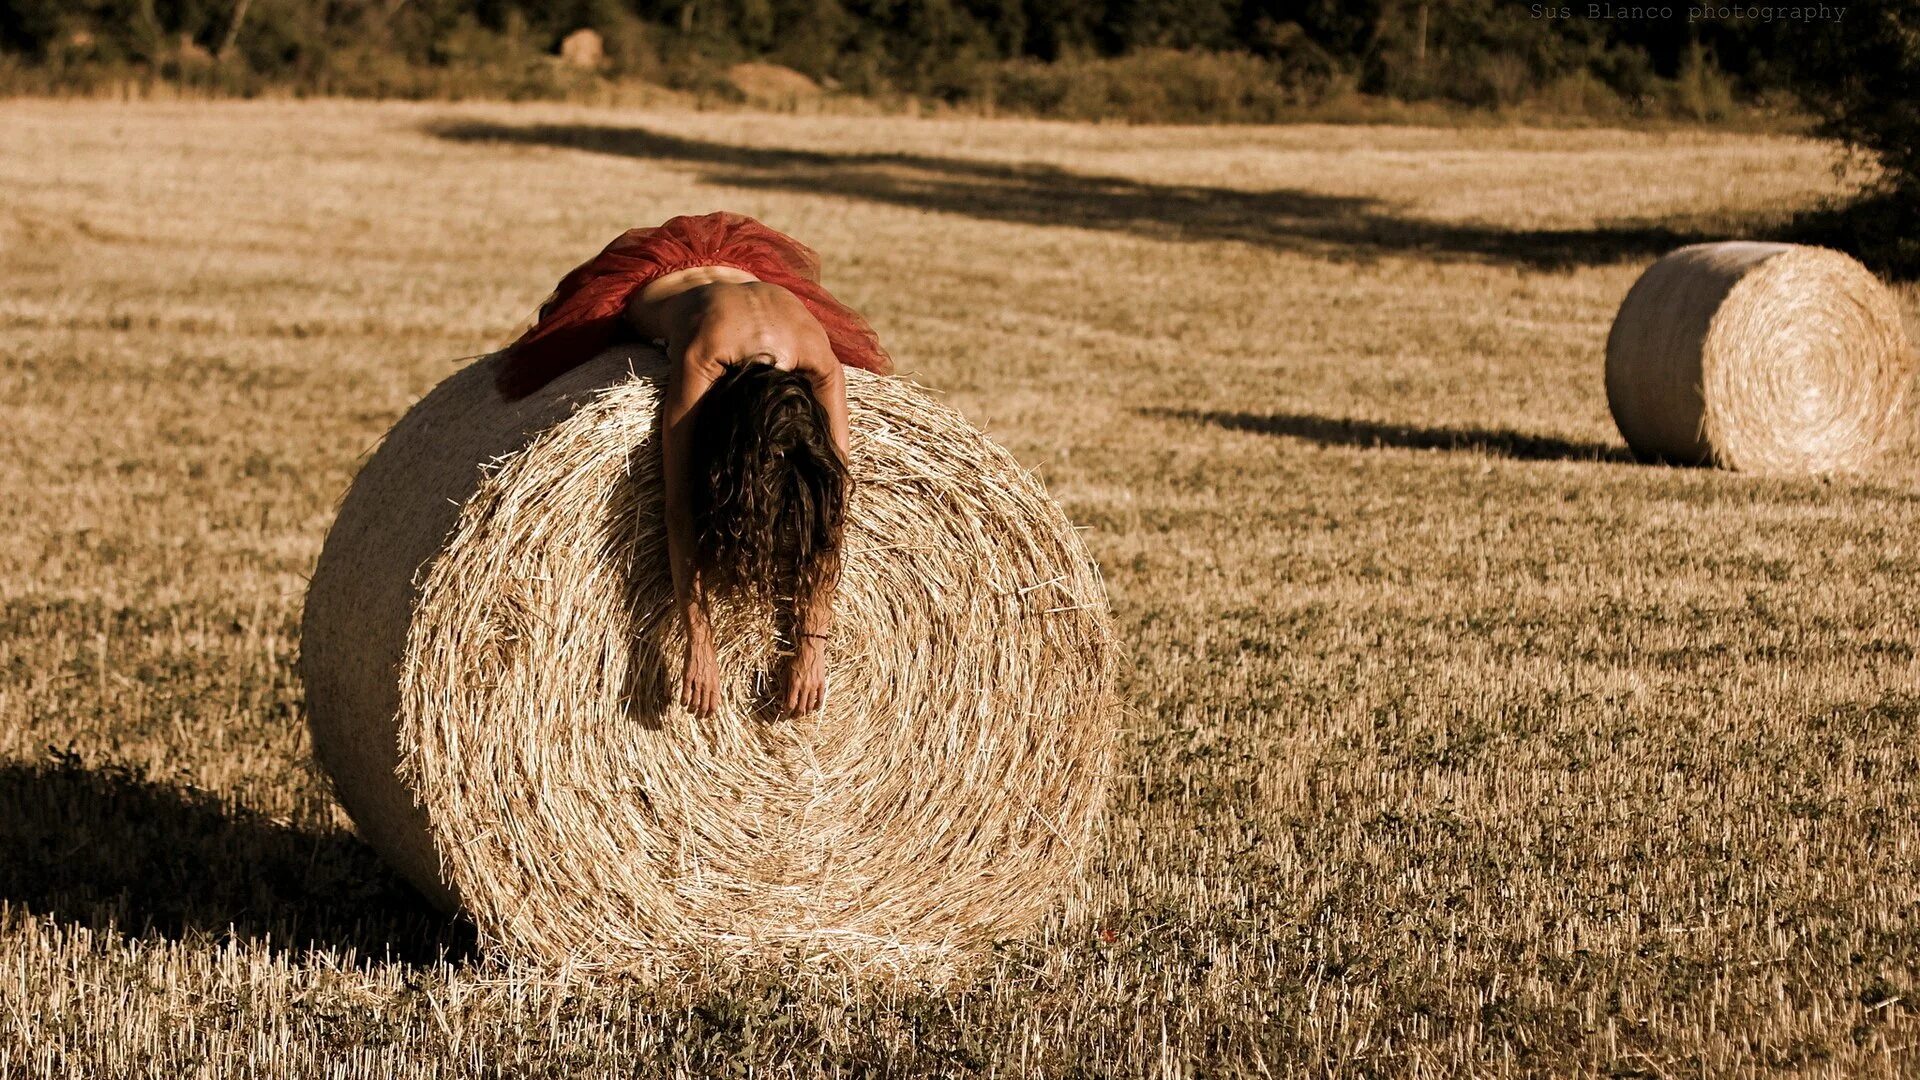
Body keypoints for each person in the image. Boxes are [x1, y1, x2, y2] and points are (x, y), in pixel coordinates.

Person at [495, 212, 893, 719]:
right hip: (658, 282)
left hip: (746, 274)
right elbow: (680, 506)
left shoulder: (820, 360)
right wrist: (698, 640)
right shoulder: (706, 355)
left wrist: (813, 642)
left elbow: (832, 511)